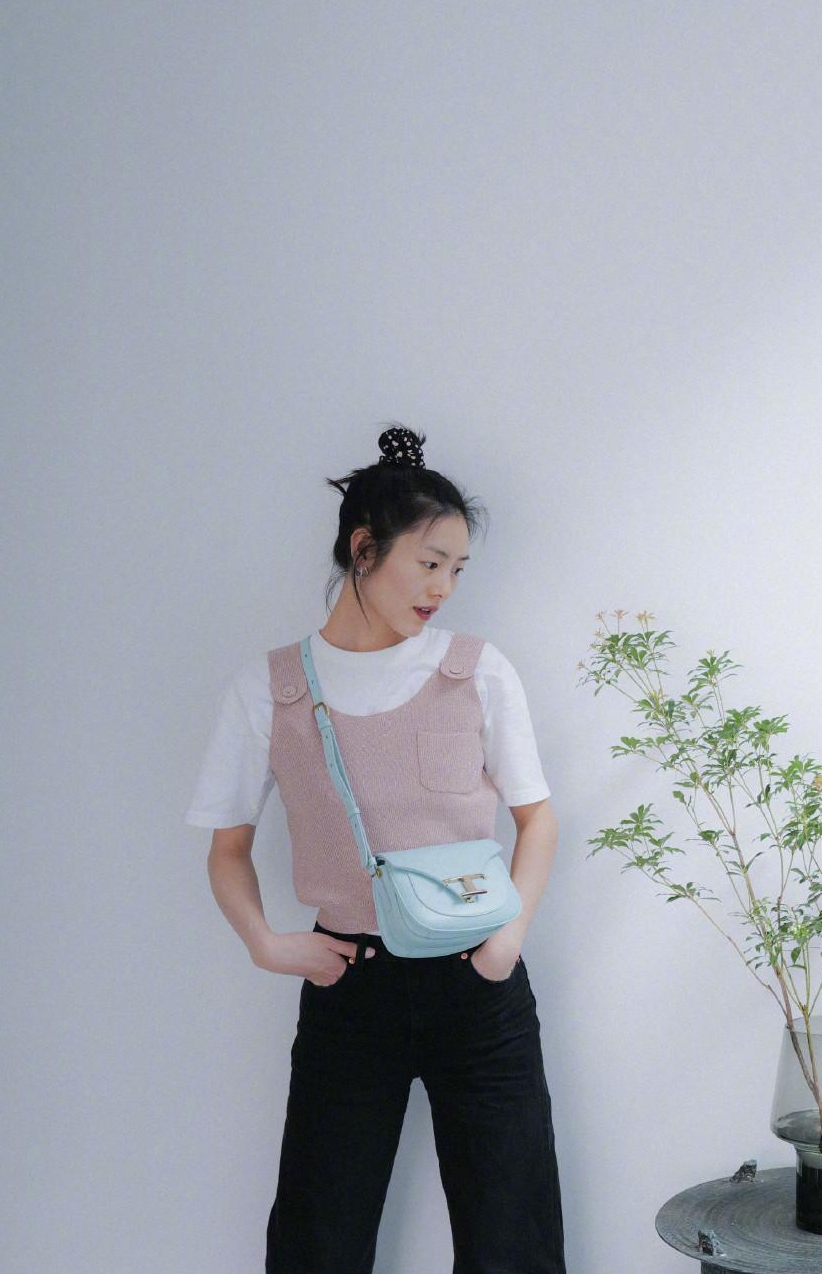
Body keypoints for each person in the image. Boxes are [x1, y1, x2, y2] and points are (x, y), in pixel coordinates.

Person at [184, 423, 567, 1273]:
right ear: (364, 550)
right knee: (318, 1241)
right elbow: (227, 848)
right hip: (349, 987)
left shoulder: (478, 671)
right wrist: (266, 944)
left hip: (479, 986)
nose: (443, 588)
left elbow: (537, 820)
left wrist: (506, 942)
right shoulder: (270, 691)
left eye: (457, 569)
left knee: (513, 1242)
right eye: (429, 563)